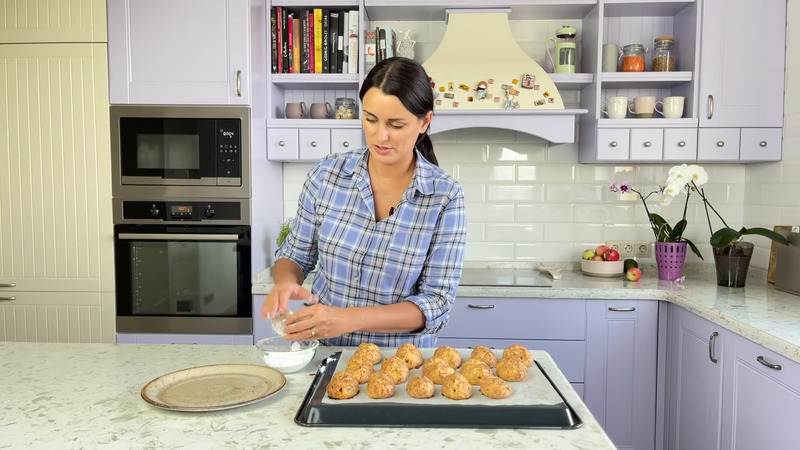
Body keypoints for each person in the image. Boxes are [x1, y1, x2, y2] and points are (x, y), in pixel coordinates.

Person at [261, 57, 467, 348]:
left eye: (396, 124)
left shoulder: (444, 196)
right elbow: (296, 254)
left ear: (424, 122)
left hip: (400, 361)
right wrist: (285, 282)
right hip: (325, 352)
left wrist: (350, 318)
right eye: (370, 119)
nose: (380, 136)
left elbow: (436, 304)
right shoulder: (326, 175)